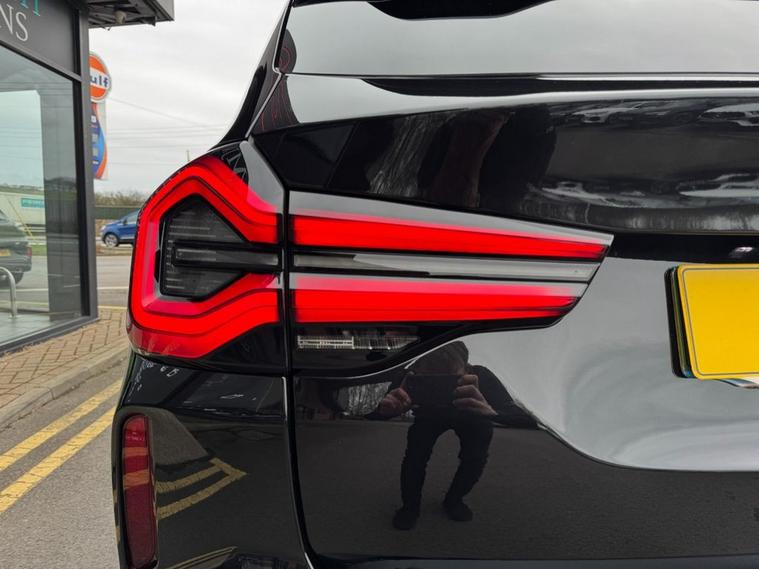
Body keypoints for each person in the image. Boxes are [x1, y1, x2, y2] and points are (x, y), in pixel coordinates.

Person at [374, 341, 534, 530]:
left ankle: (454, 500)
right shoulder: (407, 377)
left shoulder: (481, 376)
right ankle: (411, 507)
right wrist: (386, 410)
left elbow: (524, 417)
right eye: (429, 379)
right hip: (429, 414)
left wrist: (492, 412)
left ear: (468, 369)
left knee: (474, 458)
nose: (438, 386)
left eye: (449, 379)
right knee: (414, 459)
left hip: (471, 413)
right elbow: (375, 412)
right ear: (416, 369)